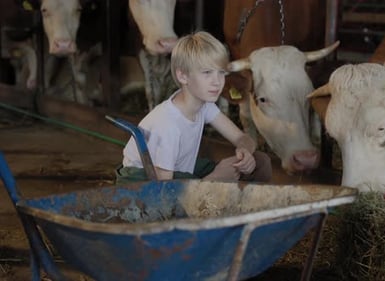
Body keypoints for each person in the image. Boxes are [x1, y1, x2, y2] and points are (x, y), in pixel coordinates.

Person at [115, 31, 272, 184]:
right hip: (143, 180)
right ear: (183, 76)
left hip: (179, 171)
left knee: (261, 162)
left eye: (221, 73)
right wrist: (215, 178)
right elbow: (163, 194)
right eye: (207, 72)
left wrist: (245, 152)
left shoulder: (204, 105)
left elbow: (242, 138)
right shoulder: (168, 125)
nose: (217, 82)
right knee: (215, 180)